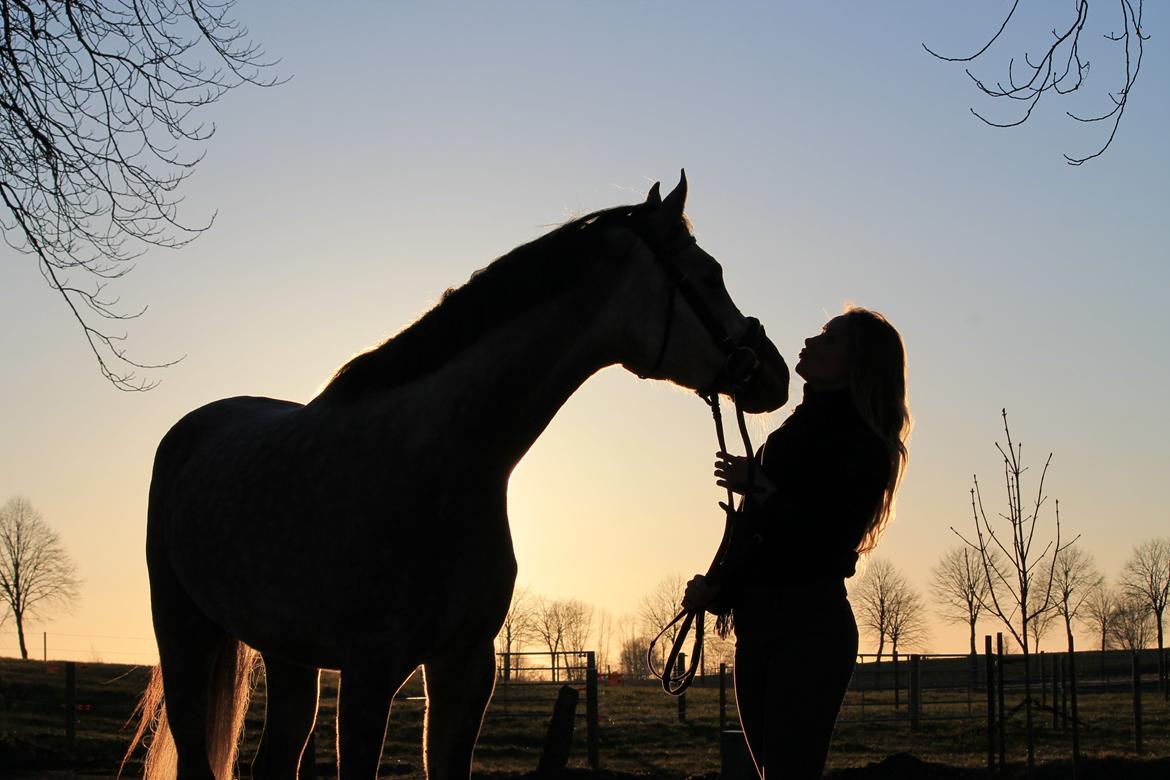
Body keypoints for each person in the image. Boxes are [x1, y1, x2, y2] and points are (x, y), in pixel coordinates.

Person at [683, 306, 911, 778]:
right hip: (760, 625)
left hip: (808, 627)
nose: (811, 341)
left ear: (857, 362)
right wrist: (718, 589)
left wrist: (762, 487)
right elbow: (756, 536)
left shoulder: (862, 444)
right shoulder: (794, 430)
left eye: (829, 339)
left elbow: (828, 540)